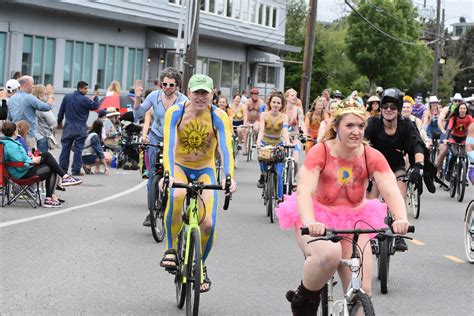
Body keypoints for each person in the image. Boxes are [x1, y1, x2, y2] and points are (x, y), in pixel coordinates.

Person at [275, 103, 409, 314]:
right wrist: (310, 222)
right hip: (318, 216)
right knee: (329, 254)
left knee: (362, 291)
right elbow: (305, 191)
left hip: (357, 219)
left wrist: (401, 218)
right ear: (336, 126)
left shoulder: (371, 155)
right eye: (349, 125)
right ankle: (305, 299)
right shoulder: (321, 151)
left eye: (360, 126)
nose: (356, 131)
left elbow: (391, 189)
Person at [159, 74, 236, 293]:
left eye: (205, 93)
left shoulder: (218, 116)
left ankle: (200, 265)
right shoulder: (176, 112)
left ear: (212, 94)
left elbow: (225, 148)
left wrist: (228, 176)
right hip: (180, 167)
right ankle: (171, 250)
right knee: (176, 196)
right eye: (196, 92)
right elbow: (169, 144)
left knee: (208, 224)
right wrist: (168, 173)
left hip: (205, 170)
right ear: (189, 93)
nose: (201, 97)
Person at [364, 88, 425, 251]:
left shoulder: (406, 124)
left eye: (392, 107)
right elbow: (361, 144)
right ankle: (368, 233)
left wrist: (419, 166)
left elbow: (417, 145)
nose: (388, 110)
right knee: (371, 199)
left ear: (398, 109)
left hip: (396, 165)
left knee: (401, 189)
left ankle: (399, 233)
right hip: (375, 167)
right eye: (385, 106)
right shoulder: (373, 123)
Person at [133, 67, 188, 227]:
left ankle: (173, 208)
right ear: (161, 84)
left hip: (175, 141)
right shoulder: (154, 96)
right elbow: (137, 114)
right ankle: (151, 211)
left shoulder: (183, 100)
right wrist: (138, 98)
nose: (168, 88)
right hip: (156, 139)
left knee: (175, 176)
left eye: (171, 85)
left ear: (176, 85)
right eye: (164, 84)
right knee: (152, 177)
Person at [0, 122, 82, 208]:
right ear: (14, 132)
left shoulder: (9, 143)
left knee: (47, 156)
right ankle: (59, 184)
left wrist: (31, 159)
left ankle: (63, 180)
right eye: (17, 129)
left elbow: (20, 160)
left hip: (22, 170)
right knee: (51, 165)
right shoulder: (11, 145)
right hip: (22, 173)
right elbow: (20, 163)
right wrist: (33, 161)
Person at [58, 81, 99, 176]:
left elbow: (61, 111)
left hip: (68, 127)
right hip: (80, 128)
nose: (86, 90)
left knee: (65, 149)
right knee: (78, 149)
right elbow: (95, 106)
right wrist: (96, 96)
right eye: (85, 88)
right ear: (80, 88)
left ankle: (62, 169)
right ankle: (76, 170)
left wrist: (59, 122)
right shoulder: (84, 99)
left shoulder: (67, 97)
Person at [255, 92, 290, 196]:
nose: (275, 104)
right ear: (269, 103)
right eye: (274, 102)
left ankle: (279, 199)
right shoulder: (264, 115)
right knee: (261, 157)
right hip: (265, 142)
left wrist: (287, 143)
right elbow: (261, 130)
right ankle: (263, 175)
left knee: (279, 173)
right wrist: (258, 142)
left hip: (278, 144)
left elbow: (284, 131)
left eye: (278, 103)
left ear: (281, 105)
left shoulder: (284, 117)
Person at [7, 76, 53, 150]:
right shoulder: (30, 98)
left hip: (15, 135)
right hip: (29, 136)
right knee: (29, 158)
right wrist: (50, 95)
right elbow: (46, 107)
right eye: (32, 83)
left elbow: (9, 119)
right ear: (26, 85)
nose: (33, 86)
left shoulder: (11, 99)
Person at [435, 92, 464, 173]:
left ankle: (459, 173)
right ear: (453, 101)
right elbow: (440, 121)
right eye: (455, 101)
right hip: (446, 132)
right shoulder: (446, 109)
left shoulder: (464, 110)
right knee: (443, 150)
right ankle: (436, 170)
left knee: (462, 153)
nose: (457, 103)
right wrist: (443, 131)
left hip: (458, 133)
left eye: (459, 101)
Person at [284, 88, 307, 167]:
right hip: (283, 138)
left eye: (296, 96)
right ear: (286, 97)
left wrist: (305, 133)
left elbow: (302, 122)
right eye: (292, 95)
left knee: (296, 161)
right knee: (280, 161)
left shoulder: (298, 110)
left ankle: (292, 178)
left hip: (295, 138)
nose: (295, 97)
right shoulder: (282, 109)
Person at [32, 84, 57, 153]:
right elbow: (52, 122)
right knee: (42, 158)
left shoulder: (30, 103)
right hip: (42, 135)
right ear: (41, 94)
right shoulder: (43, 105)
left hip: (31, 135)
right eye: (45, 94)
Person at [242, 87, 263, 155]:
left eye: (256, 94)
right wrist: (245, 122)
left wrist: (260, 122)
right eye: (254, 94)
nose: (255, 95)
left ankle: (254, 139)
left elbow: (262, 113)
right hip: (249, 120)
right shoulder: (248, 102)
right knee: (246, 131)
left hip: (257, 120)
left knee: (256, 128)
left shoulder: (260, 102)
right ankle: (245, 147)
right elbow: (245, 113)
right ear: (251, 95)